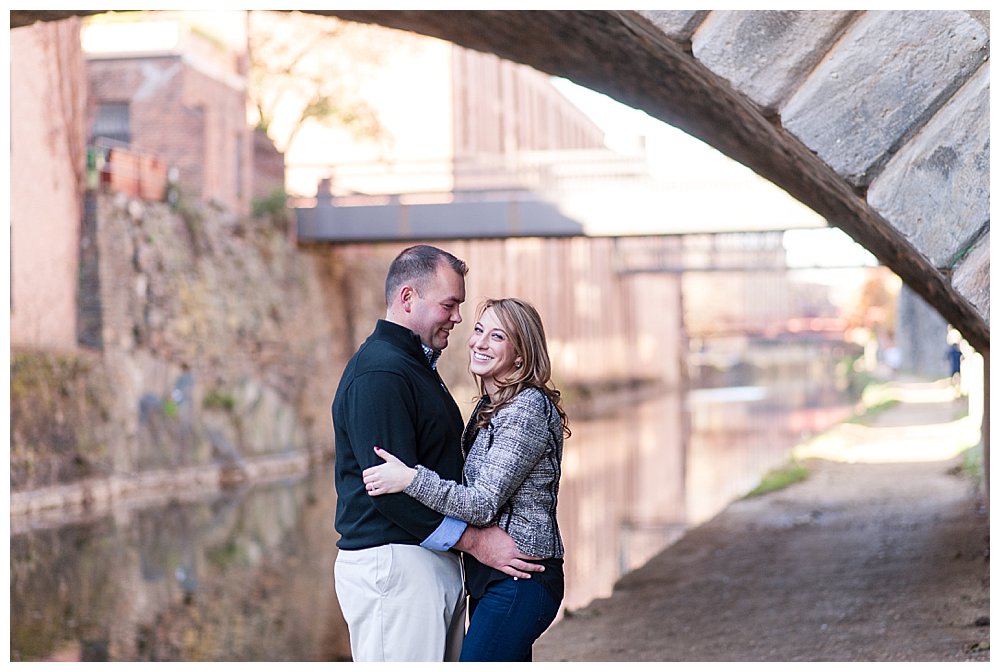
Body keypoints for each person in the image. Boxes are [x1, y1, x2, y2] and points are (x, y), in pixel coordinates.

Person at [332, 246, 544, 662]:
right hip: (394, 567)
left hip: (425, 564)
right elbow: (388, 488)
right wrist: (475, 541)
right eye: (450, 304)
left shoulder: (412, 366)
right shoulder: (382, 372)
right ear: (408, 298)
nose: (458, 318)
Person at [363, 297, 571, 661]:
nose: (479, 342)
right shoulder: (493, 407)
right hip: (495, 579)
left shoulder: (526, 409)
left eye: (498, 337)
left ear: (520, 354)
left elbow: (481, 502)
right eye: (478, 330)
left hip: (523, 579)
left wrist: (411, 478)